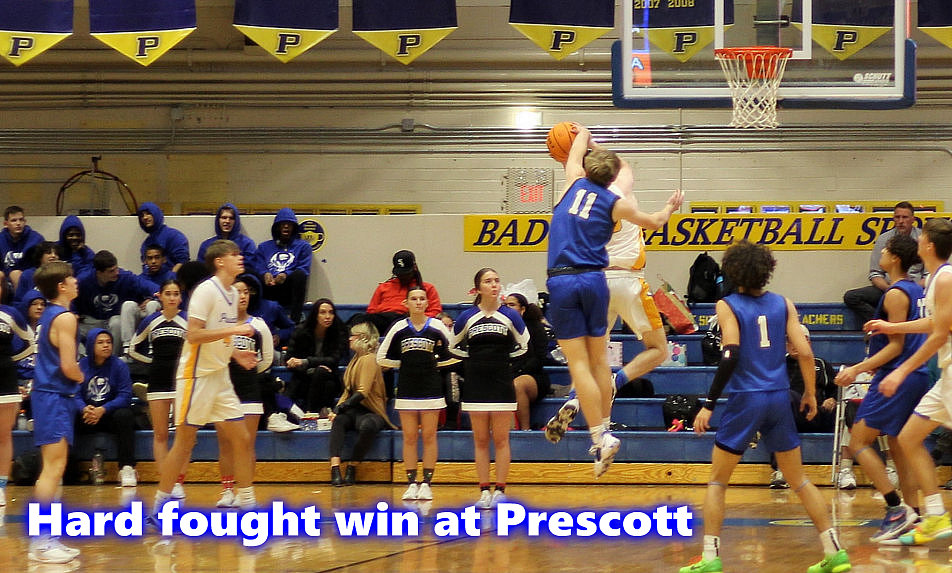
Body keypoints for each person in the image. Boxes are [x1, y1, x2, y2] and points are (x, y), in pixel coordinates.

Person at [681, 241, 849, 573]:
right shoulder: (783, 304)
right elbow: (804, 352)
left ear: (733, 270)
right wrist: (810, 393)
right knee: (799, 480)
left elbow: (730, 353)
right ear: (766, 270)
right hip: (778, 397)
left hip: (747, 398)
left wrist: (709, 404)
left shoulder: (727, 305)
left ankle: (710, 558)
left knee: (718, 481)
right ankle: (834, 551)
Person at [543, 124, 682, 476]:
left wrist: (583, 134)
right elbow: (654, 220)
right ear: (614, 173)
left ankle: (591, 422)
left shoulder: (572, 182)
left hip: (567, 278)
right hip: (608, 281)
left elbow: (577, 147)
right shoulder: (619, 201)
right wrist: (669, 207)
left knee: (580, 365)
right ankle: (604, 422)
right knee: (614, 359)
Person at [151, 240, 260, 519]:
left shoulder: (232, 293)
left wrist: (236, 353)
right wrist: (235, 329)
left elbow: (220, 334)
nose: (240, 257)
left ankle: (248, 504)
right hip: (196, 376)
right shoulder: (206, 291)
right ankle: (159, 507)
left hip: (220, 376)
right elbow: (194, 335)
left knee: (242, 438)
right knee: (184, 443)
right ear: (220, 261)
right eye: (234, 254)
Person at [833, 233, 929, 543]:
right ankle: (914, 514)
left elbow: (896, 346)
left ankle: (895, 508)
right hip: (914, 374)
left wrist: (856, 369)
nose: (881, 255)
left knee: (859, 441)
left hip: (897, 376)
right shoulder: (916, 290)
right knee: (900, 446)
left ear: (895, 258)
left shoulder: (895, 294)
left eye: (885, 250)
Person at [864, 217, 952, 547]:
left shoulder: (945, 278)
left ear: (928, 244)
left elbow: (939, 334)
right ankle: (936, 515)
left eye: (921, 236)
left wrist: (901, 371)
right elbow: (935, 323)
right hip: (945, 377)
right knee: (908, 438)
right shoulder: (934, 278)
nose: (917, 240)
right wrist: (892, 328)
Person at [450, 268, 529, 508]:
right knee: (481, 439)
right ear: (478, 288)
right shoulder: (467, 316)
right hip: (476, 382)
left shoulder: (510, 315)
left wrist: (502, 360)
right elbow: (453, 346)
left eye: (496, 280)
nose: (494, 285)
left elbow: (524, 345)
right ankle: (484, 490)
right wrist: (474, 360)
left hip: (501, 381)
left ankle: (500, 490)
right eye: (488, 281)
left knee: (502, 439)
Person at [377, 285, 457, 500]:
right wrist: (403, 364)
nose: (419, 302)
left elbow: (455, 353)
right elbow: (381, 357)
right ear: (406, 303)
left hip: (431, 388)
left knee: (429, 436)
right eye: (414, 298)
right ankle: (411, 483)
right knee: (410, 437)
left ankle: (427, 483)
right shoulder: (399, 327)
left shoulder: (437, 326)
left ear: (427, 303)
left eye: (422, 298)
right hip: (407, 389)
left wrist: (434, 364)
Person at [29, 261, 83, 563]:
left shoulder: (49, 314)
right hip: (54, 396)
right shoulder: (65, 317)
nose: (76, 281)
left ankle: (46, 538)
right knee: (52, 469)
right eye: (71, 278)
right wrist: (81, 376)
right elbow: (68, 366)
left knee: (53, 468)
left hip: (49, 396)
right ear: (61, 286)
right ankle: (41, 542)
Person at [215, 275, 273, 508]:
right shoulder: (219, 325)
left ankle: (244, 491)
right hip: (223, 389)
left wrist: (249, 370)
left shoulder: (258, 325)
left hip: (249, 390)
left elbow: (266, 359)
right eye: (237, 292)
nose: (242, 296)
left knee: (246, 444)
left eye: (246, 292)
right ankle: (227, 490)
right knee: (225, 444)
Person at [127, 278, 188, 497]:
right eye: (168, 293)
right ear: (159, 296)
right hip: (158, 380)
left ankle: (178, 481)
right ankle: (166, 483)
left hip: (182, 381)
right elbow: (132, 349)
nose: (172, 298)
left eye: (176, 294)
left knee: (183, 435)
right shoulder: (151, 320)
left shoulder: (187, 320)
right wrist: (151, 363)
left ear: (180, 297)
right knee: (160, 434)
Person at [328, 321, 395, 486]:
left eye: (353, 336)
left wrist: (340, 407)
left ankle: (353, 466)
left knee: (368, 425)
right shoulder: (355, 359)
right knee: (339, 421)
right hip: (354, 410)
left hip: (372, 411)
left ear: (362, 338)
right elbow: (347, 391)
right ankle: (335, 468)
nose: (349, 339)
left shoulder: (369, 359)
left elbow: (362, 392)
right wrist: (336, 411)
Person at [75, 329, 137, 487]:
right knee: (66, 414)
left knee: (125, 415)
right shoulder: (81, 365)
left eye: (109, 342)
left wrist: (103, 409)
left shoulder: (119, 365)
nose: (106, 346)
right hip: (87, 415)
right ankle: (67, 469)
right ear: (91, 345)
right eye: (101, 342)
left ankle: (127, 468)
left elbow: (125, 396)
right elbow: (74, 394)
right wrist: (83, 409)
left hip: (109, 415)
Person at [843, 201, 923, 324]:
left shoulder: (923, 239)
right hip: (887, 286)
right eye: (897, 217)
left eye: (905, 217)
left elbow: (929, 275)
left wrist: (907, 289)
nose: (901, 221)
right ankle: (880, 323)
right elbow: (875, 273)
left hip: (916, 288)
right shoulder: (884, 239)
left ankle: (888, 324)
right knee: (851, 296)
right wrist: (890, 289)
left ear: (913, 219)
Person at [75, 250, 159, 355]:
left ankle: (114, 358)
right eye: (111, 271)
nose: (116, 273)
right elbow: (70, 299)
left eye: (116, 269)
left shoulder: (124, 277)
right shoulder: (83, 280)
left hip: (115, 319)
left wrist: (153, 297)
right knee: (71, 328)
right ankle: (82, 358)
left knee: (117, 322)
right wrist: (73, 313)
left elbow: (152, 287)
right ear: (99, 273)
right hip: (92, 321)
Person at [0, 277, 33, 504]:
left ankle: (1, 485)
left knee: (3, 434)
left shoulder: (10, 314)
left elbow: (30, 343)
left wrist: (9, 361)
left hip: (5, 378)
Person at [285, 298, 348, 413]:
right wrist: (293, 362)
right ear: (315, 315)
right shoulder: (301, 331)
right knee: (317, 379)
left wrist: (306, 362)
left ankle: (310, 412)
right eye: (323, 312)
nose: (328, 316)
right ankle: (318, 412)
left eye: (331, 312)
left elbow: (334, 359)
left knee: (322, 374)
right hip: (305, 376)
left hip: (329, 376)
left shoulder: (340, 331)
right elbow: (289, 357)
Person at [361, 250, 443, 335]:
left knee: (399, 321)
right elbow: (371, 311)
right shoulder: (383, 287)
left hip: (408, 321)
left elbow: (435, 311)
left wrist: (415, 318)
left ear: (414, 268)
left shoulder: (427, 288)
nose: (404, 277)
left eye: (406, 273)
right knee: (359, 318)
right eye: (400, 274)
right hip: (383, 321)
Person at [504, 293, 551, 430]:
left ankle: (525, 430)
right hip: (508, 374)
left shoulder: (535, 327)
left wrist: (516, 372)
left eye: (512, 305)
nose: (507, 308)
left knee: (517, 385)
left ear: (522, 309)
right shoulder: (501, 328)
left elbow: (539, 358)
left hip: (533, 376)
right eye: (505, 305)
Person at [256, 208, 311, 323]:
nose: (286, 226)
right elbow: (259, 266)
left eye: (289, 224)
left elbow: (304, 268)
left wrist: (286, 274)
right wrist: (265, 274)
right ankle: (258, 316)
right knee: (252, 276)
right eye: (283, 224)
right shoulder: (263, 247)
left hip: (289, 290)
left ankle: (295, 321)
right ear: (277, 227)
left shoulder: (303, 246)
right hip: (269, 288)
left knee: (300, 275)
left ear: (294, 227)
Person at [197, 203, 260, 277]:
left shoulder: (247, 244)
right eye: (224, 217)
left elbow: (249, 269)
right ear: (218, 220)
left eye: (231, 218)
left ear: (236, 221)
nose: (227, 221)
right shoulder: (206, 245)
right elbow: (201, 269)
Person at [136, 202, 190, 275]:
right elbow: (146, 266)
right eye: (142, 215)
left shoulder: (174, 235)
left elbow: (182, 262)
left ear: (156, 214)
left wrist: (171, 278)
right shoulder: (146, 243)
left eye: (149, 213)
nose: (145, 218)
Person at [0, 205, 44, 290]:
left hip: (29, 279)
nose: (18, 223)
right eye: (14, 220)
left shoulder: (36, 239)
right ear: (6, 224)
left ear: (25, 221)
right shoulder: (1, 239)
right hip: (6, 281)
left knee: (15, 274)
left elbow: (42, 265)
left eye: (21, 220)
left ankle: (21, 298)